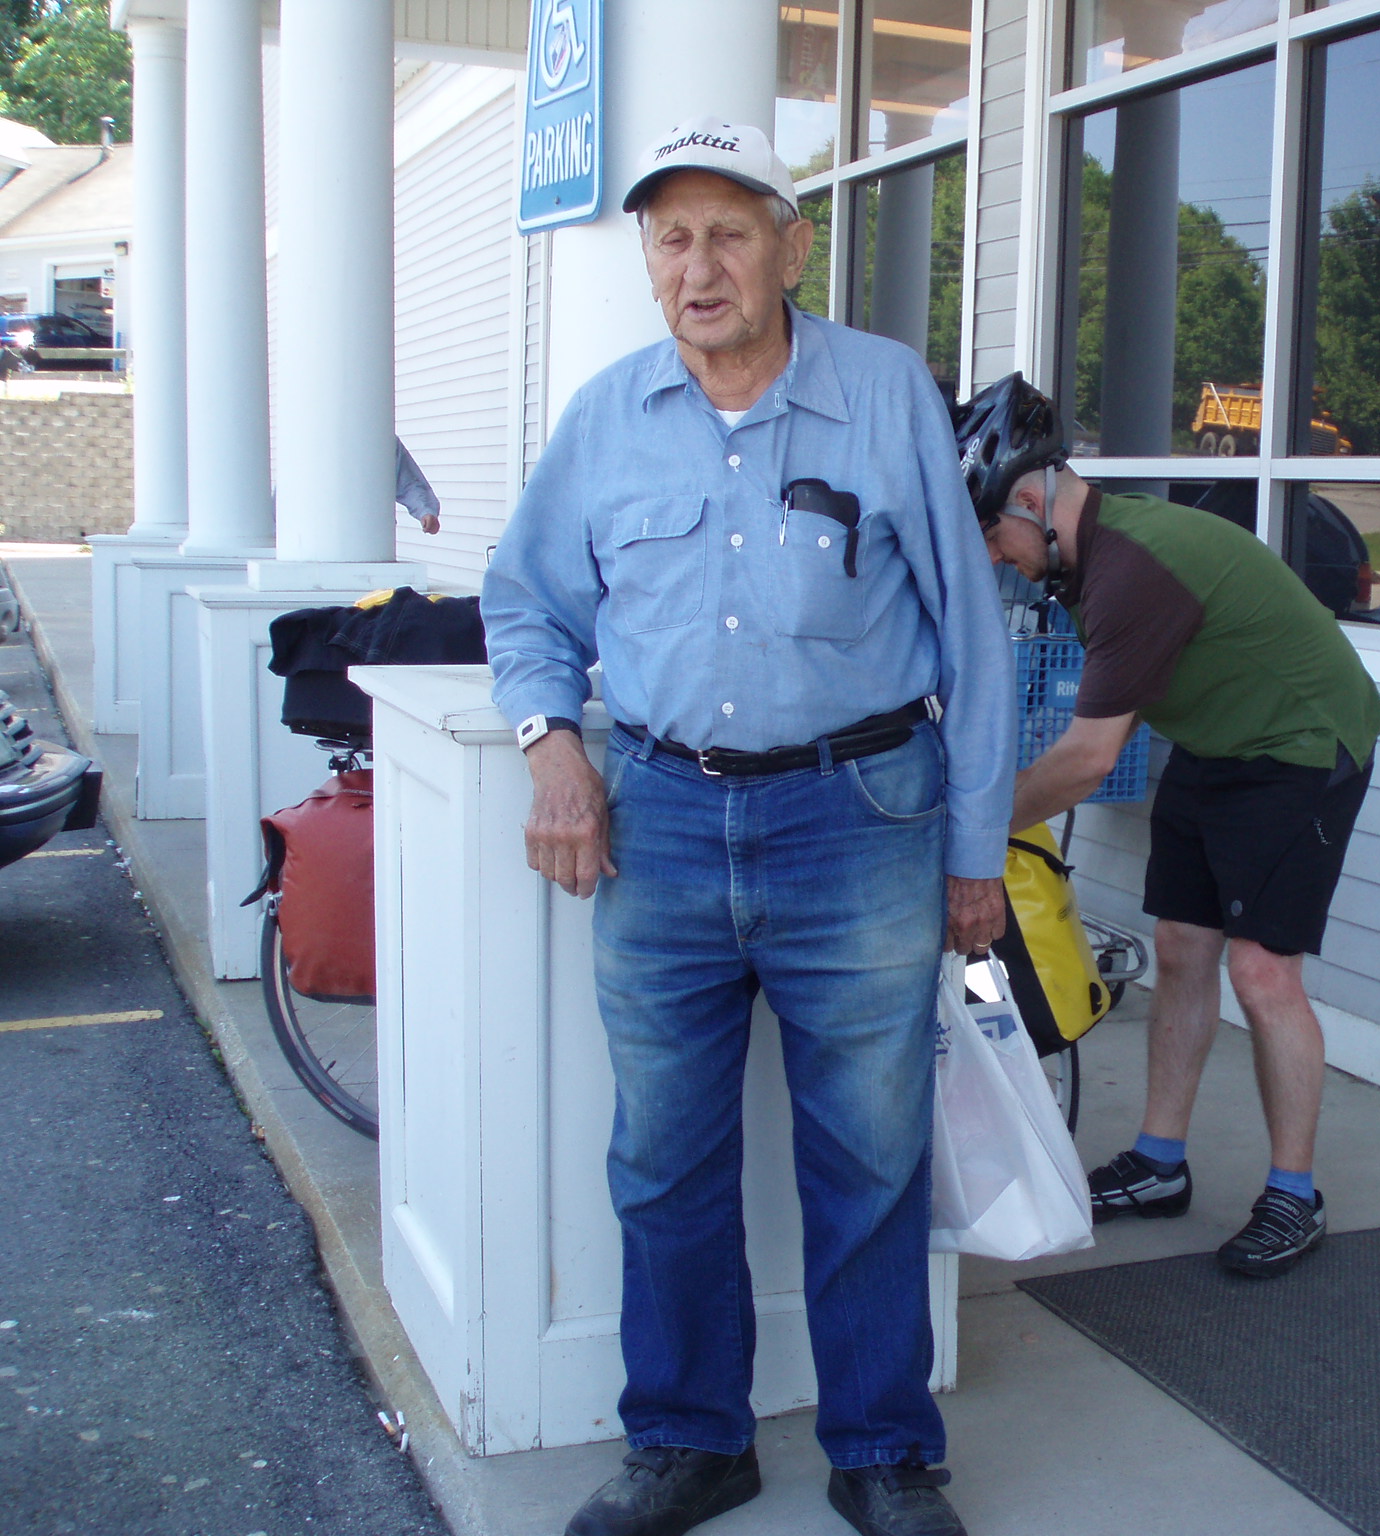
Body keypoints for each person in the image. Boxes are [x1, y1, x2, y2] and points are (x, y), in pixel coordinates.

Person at [482, 117, 1013, 1536]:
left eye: (730, 232)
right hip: (654, 819)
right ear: (648, 259)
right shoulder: (606, 416)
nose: (699, 265)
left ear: (791, 244)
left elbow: (975, 633)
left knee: (870, 1153)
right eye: (672, 237)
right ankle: (691, 1440)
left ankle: (884, 1453)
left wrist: (974, 854)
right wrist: (552, 746)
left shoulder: (887, 393)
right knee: (662, 1157)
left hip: (862, 816)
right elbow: (526, 597)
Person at [955, 374, 1380, 1279]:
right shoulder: (1085, 559)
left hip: (1302, 744)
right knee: (1184, 947)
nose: (998, 556)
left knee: (1262, 968)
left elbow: (1082, 761)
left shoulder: (1129, 570)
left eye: (994, 533)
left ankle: (1294, 1194)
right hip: (1216, 741)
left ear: (1032, 501)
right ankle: (1160, 1164)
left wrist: (971, 832)